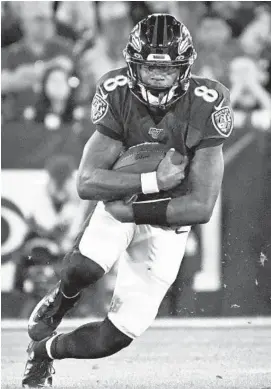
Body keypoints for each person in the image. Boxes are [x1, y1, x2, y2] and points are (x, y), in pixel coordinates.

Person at [22, 14, 233, 387]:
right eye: (149, 66)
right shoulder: (117, 90)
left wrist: (132, 207)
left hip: (167, 225)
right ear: (133, 64)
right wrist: (152, 180)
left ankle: (43, 353)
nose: (156, 76)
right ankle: (63, 296)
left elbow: (200, 207)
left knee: (116, 336)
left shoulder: (207, 101)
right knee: (85, 268)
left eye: (165, 69)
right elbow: (86, 183)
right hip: (130, 195)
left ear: (185, 68)